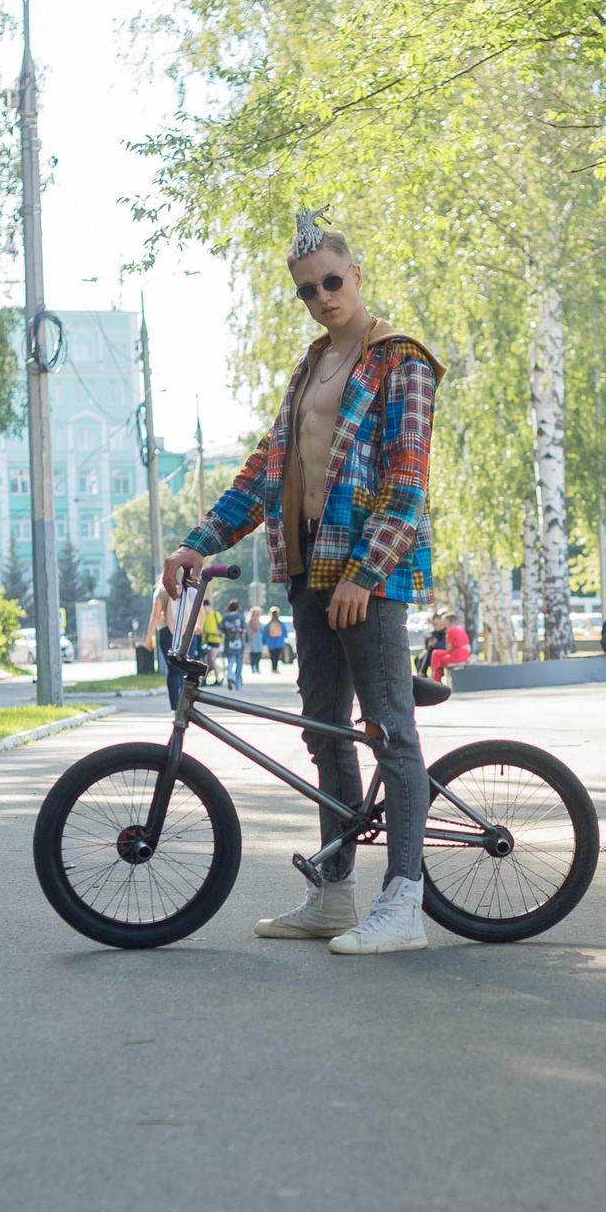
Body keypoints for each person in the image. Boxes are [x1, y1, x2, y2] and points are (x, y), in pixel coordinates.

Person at [162, 210, 443, 955]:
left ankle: (405, 903)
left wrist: (367, 572)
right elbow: (264, 476)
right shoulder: (310, 369)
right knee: (327, 735)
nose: (322, 296)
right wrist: (198, 543)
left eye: (332, 281)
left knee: (390, 730)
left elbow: (407, 480)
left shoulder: (400, 360)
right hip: (308, 572)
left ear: (357, 277)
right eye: (307, 289)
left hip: (367, 577)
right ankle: (334, 894)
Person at [428, 612, 471, 682]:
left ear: (448, 622)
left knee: (437, 657)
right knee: (436, 654)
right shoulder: (460, 629)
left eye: (444, 621)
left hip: (457, 657)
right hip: (465, 656)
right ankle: (434, 677)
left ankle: (435, 679)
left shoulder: (450, 631)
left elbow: (448, 649)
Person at [221, 598, 247, 689]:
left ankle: (230, 675)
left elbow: (220, 630)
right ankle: (238, 684)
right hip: (239, 642)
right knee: (239, 663)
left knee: (230, 661)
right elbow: (244, 630)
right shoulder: (240, 616)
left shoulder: (225, 617)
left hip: (229, 642)